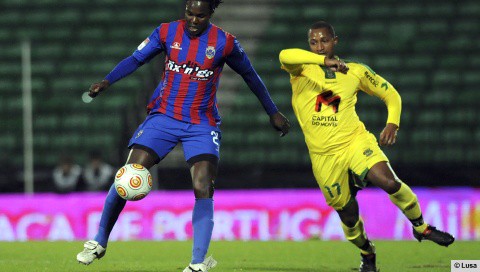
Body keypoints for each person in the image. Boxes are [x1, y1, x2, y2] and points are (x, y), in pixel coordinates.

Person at [76, 1, 293, 271]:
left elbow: (251, 76)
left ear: (210, 14)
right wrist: (107, 81)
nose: (193, 20)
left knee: (203, 187)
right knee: (128, 174)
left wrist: (272, 111)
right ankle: (99, 241)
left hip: (202, 123)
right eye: (189, 13)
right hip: (164, 117)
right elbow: (135, 59)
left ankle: (198, 263)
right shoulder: (167, 32)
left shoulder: (225, 42)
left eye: (200, 16)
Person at [279, 21, 454, 272]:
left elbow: (391, 94)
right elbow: (284, 54)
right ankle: (367, 252)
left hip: (354, 141)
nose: (319, 46)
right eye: (314, 42)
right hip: (324, 156)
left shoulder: (356, 71)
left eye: (324, 41)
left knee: (389, 181)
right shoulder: (300, 69)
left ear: (335, 41)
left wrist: (392, 123)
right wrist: (322, 62)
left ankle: (421, 227)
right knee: (348, 215)